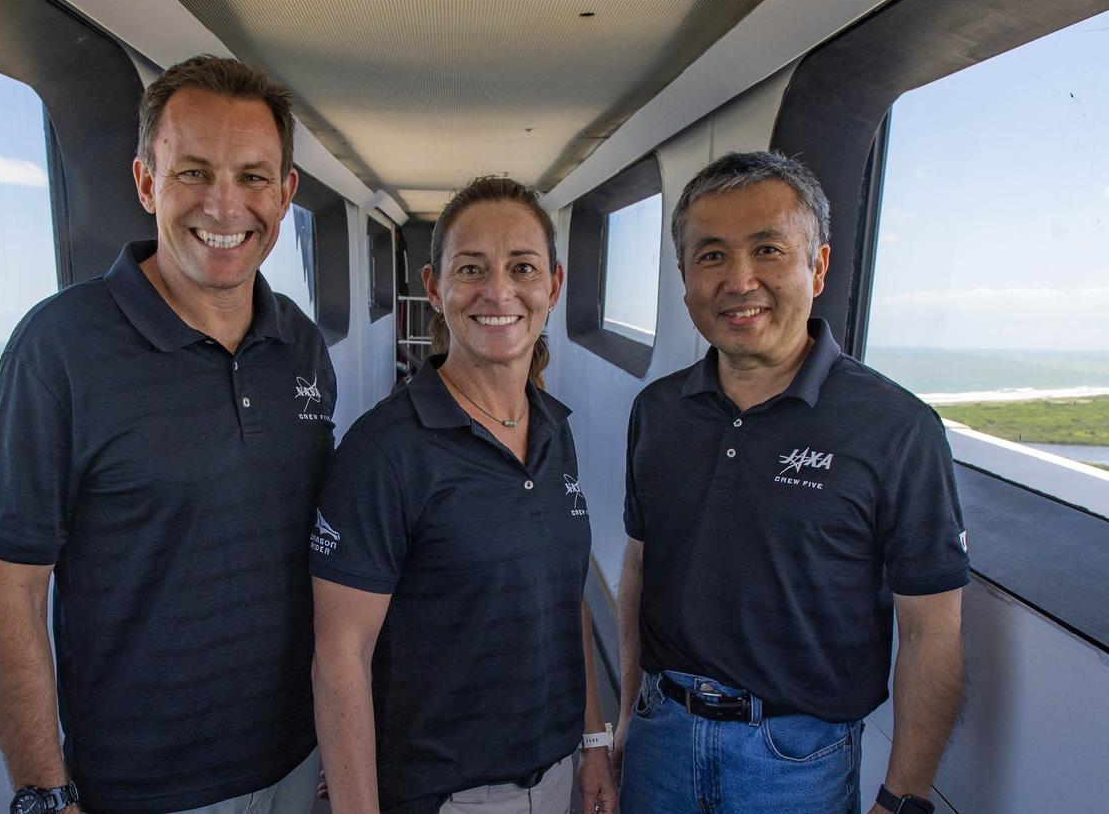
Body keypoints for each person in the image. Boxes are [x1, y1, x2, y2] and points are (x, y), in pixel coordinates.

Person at [0, 55, 335, 814]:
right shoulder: (59, 348)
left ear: (287, 192)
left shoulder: (301, 344)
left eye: (254, 177)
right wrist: (46, 792)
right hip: (144, 788)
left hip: (299, 760)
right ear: (146, 184)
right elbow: (10, 589)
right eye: (193, 172)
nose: (225, 206)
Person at [615, 151, 968, 814]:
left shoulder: (897, 428)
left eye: (768, 249)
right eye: (711, 255)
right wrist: (631, 711)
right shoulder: (657, 412)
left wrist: (904, 798)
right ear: (685, 276)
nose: (739, 279)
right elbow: (638, 565)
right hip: (662, 738)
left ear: (819, 266)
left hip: (796, 765)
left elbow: (932, 630)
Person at [310, 176, 618, 814]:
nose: (498, 292)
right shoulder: (383, 453)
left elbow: (567, 599)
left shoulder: (555, 431)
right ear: (434, 286)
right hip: (444, 796)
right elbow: (341, 657)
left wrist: (592, 741)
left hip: (557, 774)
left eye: (522, 268)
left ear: (553, 287)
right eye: (471, 268)